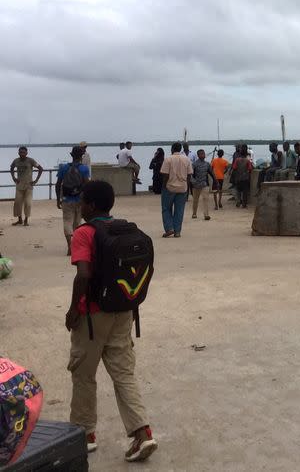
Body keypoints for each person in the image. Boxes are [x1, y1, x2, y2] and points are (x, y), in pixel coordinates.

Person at [65, 180, 158, 462]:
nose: (81, 206)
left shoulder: (85, 233)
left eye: (83, 201)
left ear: (91, 205)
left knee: (83, 373)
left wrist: (72, 310)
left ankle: (85, 435)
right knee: (123, 374)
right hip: (124, 312)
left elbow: (83, 274)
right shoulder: (122, 229)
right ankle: (143, 434)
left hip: (93, 316)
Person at [55, 146, 91, 255]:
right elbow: (87, 185)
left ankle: (69, 245)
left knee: (67, 222)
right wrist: (87, 200)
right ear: (81, 156)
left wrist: (58, 199)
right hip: (80, 200)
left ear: (71, 155)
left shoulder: (63, 168)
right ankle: (76, 245)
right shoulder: (84, 169)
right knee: (77, 223)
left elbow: (58, 184)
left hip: (66, 199)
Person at [159, 142, 192, 238]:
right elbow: (189, 175)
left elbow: (165, 175)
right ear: (180, 148)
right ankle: (177, 231)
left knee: (166, 209)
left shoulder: (168, 159)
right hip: (182, 188)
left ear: (172, 149)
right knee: (179, 210)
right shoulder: (186, 159)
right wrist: (187, 188)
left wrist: (163, 186)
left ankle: (169, 228)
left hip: (169, 187)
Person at [10, 146, 43, 226]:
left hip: (29, 186)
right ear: (18, 153)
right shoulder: (16, 160)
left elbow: (40, 168)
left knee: (28, 203)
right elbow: (11, 168)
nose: (22, 154)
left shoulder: (31, 160)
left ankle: (26, 220)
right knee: (17, 203)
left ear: (26, 153)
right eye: (21, 152)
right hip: (19, 186)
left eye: (24, 152)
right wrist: (14, 177)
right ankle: (20, 219)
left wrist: (36, 180)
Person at [191, 149, 213, 221]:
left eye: (203, 154)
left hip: (204, 184)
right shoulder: (194, 164)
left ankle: (206, 215)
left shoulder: (207, 164)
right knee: (195, 200)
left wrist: (216, 181)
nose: (203, 155)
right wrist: (193, 182)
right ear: (198, 155)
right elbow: (190, 174)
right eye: (201, 154)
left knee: (206, 199)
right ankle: (194, 213)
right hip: (196, 185)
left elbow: (211, 173)